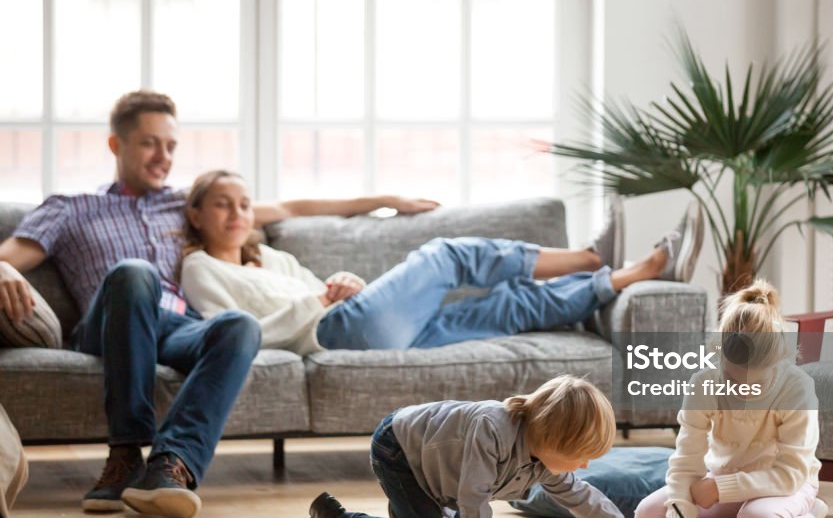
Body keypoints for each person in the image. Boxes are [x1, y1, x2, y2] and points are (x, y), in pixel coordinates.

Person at [0, 91, 438, 518]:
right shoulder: (71, 208)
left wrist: (385, 200)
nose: (163, 156)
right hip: (110, 325)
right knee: (135, 272)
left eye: (171, 145)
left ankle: (171, 467)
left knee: (239, 325)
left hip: (176, 326)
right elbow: (13, 254)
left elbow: (292, 206)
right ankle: (125, 454)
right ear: (117, 145)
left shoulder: (185, 203)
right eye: (150, 143)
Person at [177, 170, 701, 354]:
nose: (237, 213)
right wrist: (319, 301)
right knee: (446, 255)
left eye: (244, 204)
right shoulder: (200, 268)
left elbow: (324, 287)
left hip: (364, 324)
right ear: (196, 214)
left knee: (507, 308)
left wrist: (344, 282)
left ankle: (629, 274)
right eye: (222, 203)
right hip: (334, 332)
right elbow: (230, 333)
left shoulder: (270, 257)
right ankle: (588, 256)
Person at [305, 375, 685, 518]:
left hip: (439, 471)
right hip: (400, 450)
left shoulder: (545, 460)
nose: (584, 466)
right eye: (579, 456)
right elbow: (473, 495)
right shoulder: (493, 428)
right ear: (551, 439)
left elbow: (588, 502)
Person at [633, 280, 828, 518]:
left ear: (777, 360)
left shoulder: (798, 387)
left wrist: (720, 488)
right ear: (720, 354)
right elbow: (686, 463)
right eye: (734, 379)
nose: (743, 390)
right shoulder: (704, 383)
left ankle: (808, 517)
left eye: (755, 383)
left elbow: (790, 474)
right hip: (721, 482)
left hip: (785, 486)